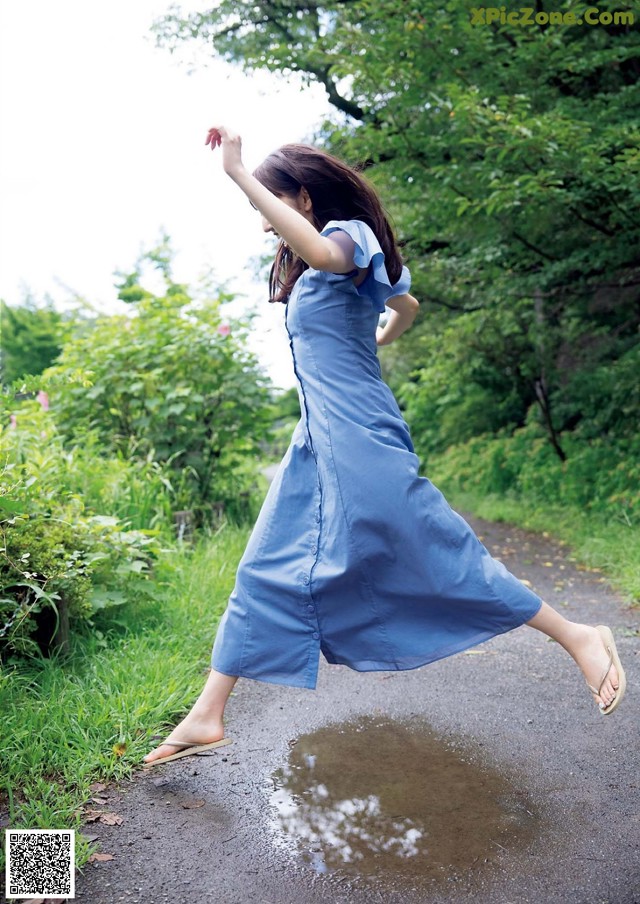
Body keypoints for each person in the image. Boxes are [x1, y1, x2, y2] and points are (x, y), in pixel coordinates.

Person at [143, 126, 625, 766]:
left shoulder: (347, 240)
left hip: (359, 430)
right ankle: (207, 713)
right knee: (264, 567)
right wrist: (377, 336)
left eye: (268, 203)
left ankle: (578, 636)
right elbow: (408, 303)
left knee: (425, 539)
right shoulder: (315, 263)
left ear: (304, 200)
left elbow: (336, 260)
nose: (261, 218)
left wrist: (238, 172)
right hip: (315, 439)